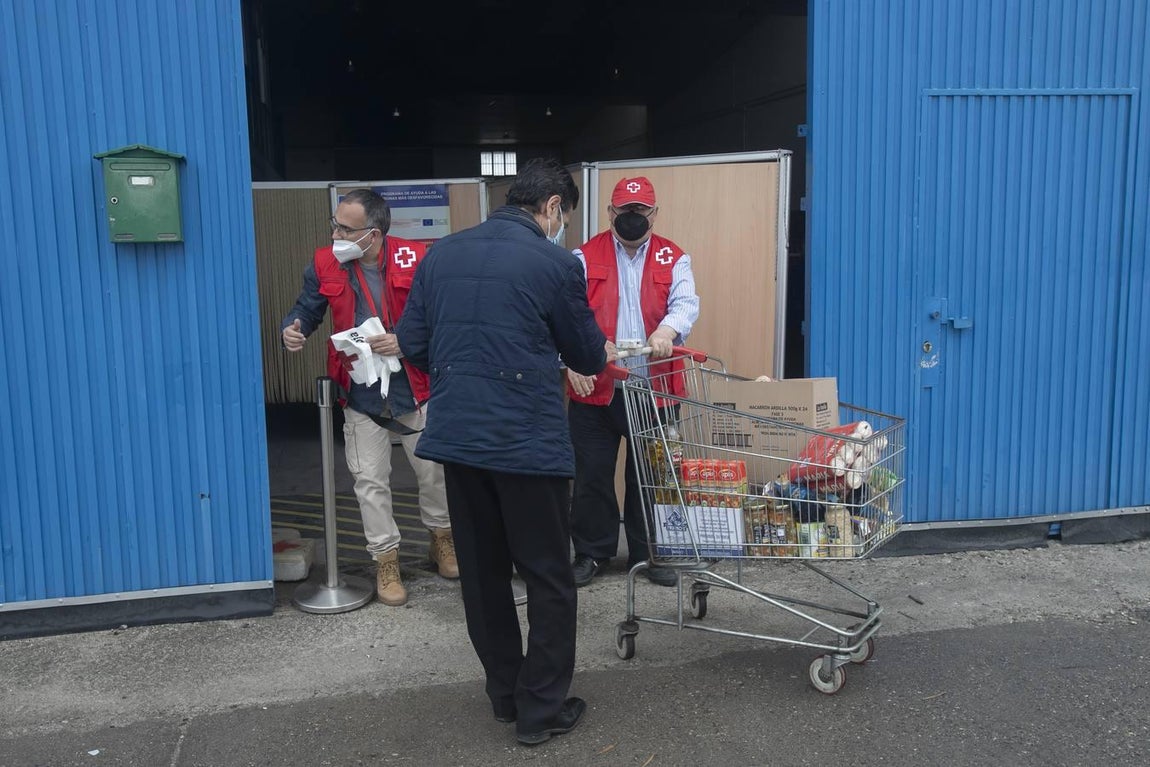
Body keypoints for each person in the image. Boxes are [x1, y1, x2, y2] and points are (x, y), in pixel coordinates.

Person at [396, 158, 611, 746]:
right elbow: (589, 356)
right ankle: (540, 710)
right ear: (551, 208)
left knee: (484, 574)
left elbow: (412, 341)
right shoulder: (553, 262)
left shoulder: (441, 254)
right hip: (527, 446)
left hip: (459, 441)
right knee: (547, 575)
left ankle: (503, 696)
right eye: (561, 215)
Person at [281, 188, 458, 607]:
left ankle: (442, 539)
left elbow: (443, 318)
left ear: (373, 235)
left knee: (433, 473)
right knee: (369, 481)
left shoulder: (418, 258)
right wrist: (295, 328)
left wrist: (406, 342)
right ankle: (386, 560)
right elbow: (308, 308)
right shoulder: (324, 262)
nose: (336, 233)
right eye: (335, 224)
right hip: (359, 390)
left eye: (346, 228)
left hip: (416, 385)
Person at [566, 176, 701, 588]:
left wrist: (668, 332)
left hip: (653, 390)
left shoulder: (674, 258)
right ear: (611, 212)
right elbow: (566, 315)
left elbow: (685, 303)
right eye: (624, 211)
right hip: (597, 388)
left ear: (653, 214)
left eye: (640, 211)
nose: (632, 218)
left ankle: (649, 553)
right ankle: (592, 552)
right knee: (592, 475)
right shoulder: (583, 257)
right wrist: (573, 359)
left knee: (651, 475)